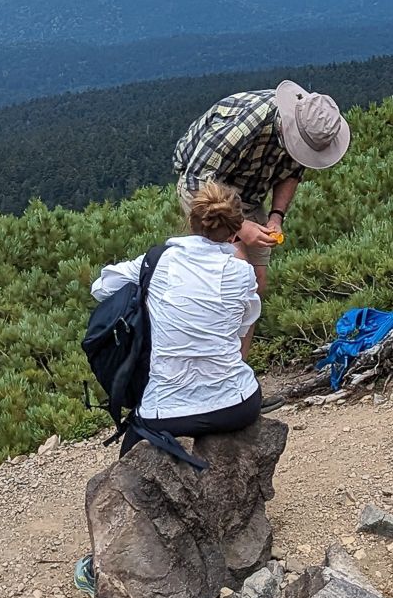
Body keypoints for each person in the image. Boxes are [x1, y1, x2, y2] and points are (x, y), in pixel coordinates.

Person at [88, 179, 265, 446]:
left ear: (190, 222)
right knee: (249, 310)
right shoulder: (243, 273)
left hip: (166, 411)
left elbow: (101, 288)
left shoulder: (158, 260)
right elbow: (243, 327)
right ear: (234, 234)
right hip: (235, 404)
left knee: (133, 442)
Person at [172, 80, 351, 290]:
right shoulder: (249, 122)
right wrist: (240, 226)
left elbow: (291, 173)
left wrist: (276, 216)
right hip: (206, 189)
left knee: (257, 282)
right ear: (289, 126)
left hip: (247, 194)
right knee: (236, 277)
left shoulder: (311, 129)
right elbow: (195, 178)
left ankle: (246, 322)